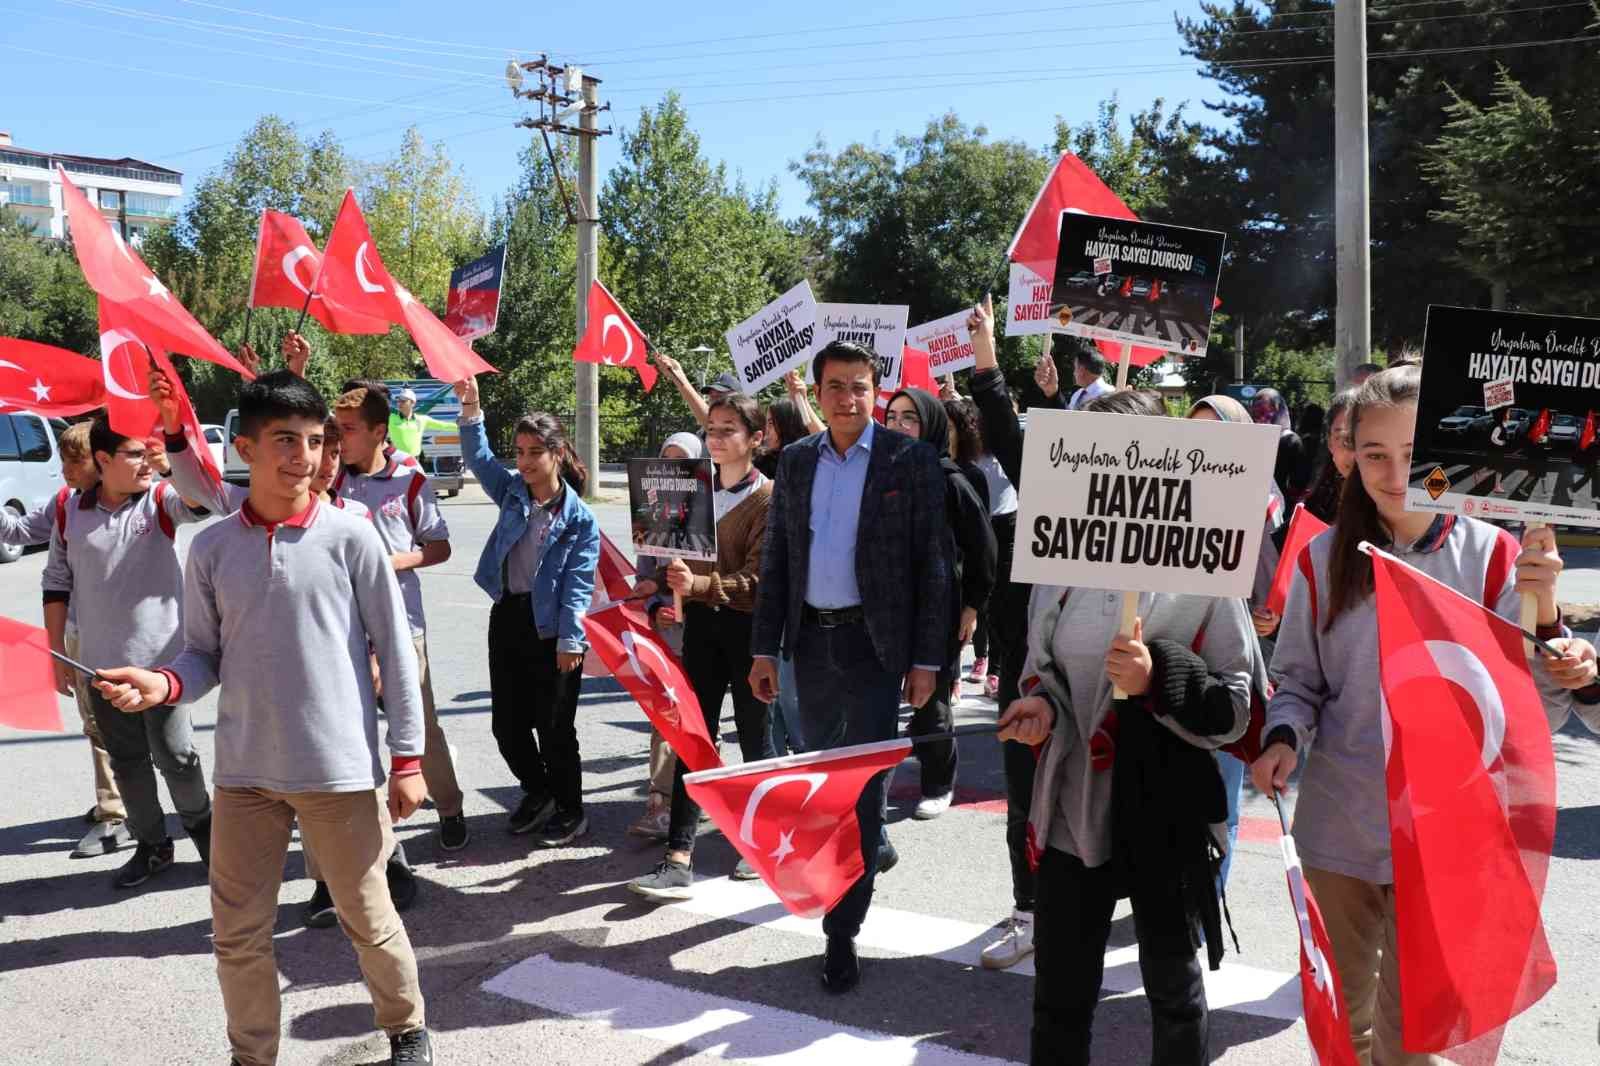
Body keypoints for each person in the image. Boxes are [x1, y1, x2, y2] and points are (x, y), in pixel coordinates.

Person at [1252, 365, 1600, 1066]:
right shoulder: (1322, 558)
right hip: (1340, 832)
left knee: (1416, 1044)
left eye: (1412, 453)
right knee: (1339, 1036)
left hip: (1448, 837)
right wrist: (1284, 735)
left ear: (1444, 452)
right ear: (1349, 454)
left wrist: (1569, 653)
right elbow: (1296, 681)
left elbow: (1534, 698)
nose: (1392, 471)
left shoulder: (1501, 557)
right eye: (1375, 453)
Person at [94, 370, 435, 1066]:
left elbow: (397, 655)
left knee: (367, 919)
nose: (303, 457)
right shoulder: (213, 548)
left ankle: (407, 1029)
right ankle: (253, 1054)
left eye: (314, 441)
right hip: (245, 776)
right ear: (244, 448)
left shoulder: (352, 537)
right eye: (284, 440)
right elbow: (201, 656)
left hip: (338, 772)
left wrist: (407, 759)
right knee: (237, 934)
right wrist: (160, 685)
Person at [998, 386, 1258, 1066]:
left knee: (1173, 990)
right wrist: (1041, 708)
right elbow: (1040, 671)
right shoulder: (1057, 565)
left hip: (1163, 811)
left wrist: (1159, 676)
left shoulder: (1206, 570)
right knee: (1060, 997)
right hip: (1069, 809)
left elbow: (1236, 707)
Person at [749, 339, 950, 993]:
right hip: (808, 647)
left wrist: (927, 661)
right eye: (836, 387)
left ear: (874, 388)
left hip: (872, 649)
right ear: (820, 390)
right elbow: (777, 557)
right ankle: (841, 885)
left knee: (858, 792)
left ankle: (842, 932)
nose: (849, 399)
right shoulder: (798, 461)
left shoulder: (909, 460)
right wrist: (764, 647)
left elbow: (933, 567)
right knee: (817, 787)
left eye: (861, 386)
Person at [42, 415, 212, 890]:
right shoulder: (69, 511)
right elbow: (56, 582)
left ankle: (206, 834)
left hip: (164, 666)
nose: (145, 462)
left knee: (176, 757)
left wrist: (172, 463)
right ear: (102, 460)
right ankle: (152, 844)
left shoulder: (160, 501)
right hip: (98, 668)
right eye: (135, 454)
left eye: (147, 453)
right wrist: (57, 654)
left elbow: (203, 501)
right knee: (127, 761)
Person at [630, 392, 776, 899]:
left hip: (751, 634)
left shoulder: (769, 498)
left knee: (757, 743)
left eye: (728, 429)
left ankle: (758, 845)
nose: (715, 438)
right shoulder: (690, 490)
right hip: (702, 629)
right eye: (711, 428)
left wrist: (699, 587)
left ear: (755, 439)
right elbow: (670, 565)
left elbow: (759, 580)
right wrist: (670, 596)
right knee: (695, 737)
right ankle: (679, 855)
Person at [455, 376, 601, 848]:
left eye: (532, 452)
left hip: (554, 630)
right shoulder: (513, 492)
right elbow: (478, 459)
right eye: (518, 452)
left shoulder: (579, 518)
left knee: (555, 727)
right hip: (510, 618)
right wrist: (472, 409)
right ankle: (538, 791)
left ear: (555, 453)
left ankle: (571, 807)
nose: (522, 461)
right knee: (507, 725)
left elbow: (579, 583)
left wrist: (571, 640)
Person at [331, 380, 469, 853]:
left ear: (375, 431)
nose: (339, 438)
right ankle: (369, 828)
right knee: (352, 726)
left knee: (418, 724)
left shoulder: (409, 481)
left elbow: (439, 547)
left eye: (347, 430)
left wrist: (393, 562)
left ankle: (450, 807)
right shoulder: (332, 482)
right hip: (344, 628)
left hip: (401, 627)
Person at [0, 420, 130, 857]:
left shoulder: (139, 506)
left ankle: (120, 814)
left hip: (124, 635)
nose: (66, 470)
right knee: (96, 724)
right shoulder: (64, 503)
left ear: (101, 462)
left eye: (74, 460)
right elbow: (16, 533)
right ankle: (115, 805)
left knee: (130, 728)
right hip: (78, 631)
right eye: (64, 460)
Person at [964, 294, 1046, 969]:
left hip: (1111, 696)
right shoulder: (1035, 511)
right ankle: (1029, 910)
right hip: (1030, 682)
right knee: (1024, 805)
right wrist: (985, 351)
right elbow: (1003, 425)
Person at [883, 388, 996, 819]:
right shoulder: (880, 474)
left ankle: (937, 781)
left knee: (929, 703)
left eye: (909, 418)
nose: (897, 426)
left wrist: (971, 607)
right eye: (892, 417)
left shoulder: (951, 481)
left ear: (929, 425)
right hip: (885, 610)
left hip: (938, 611)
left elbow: (983, 550)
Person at [1186, 394, 1280, 889]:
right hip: (1172, 662)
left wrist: (1269, 616)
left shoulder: (1262, 503)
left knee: (1220, 795)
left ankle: (1206, 901)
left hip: (1230, 668)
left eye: (1216, 431)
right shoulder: (1169, 491)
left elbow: (1274, 593)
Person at [626, 430, 704, 843]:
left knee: (701, 716)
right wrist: (658, 606)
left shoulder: (712, 509)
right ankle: (659, 801)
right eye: (666, 458)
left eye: (683, 460)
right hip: (667, 630)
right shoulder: (651, 510)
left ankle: (702, 789)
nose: (673, 467)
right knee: (665, 714)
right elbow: (644, 578)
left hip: (707, 627)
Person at [947, 396, 1009, 698]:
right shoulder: (935, 466)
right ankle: (956, 672)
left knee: (988, 610)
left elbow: (980, 543)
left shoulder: (977, 470)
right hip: (952, 563)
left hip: (998, 537)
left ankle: (993, 667)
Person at [1299, 387, 1358, 524]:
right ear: (1330, 442)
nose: (1357, 453)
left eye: (1369, 439)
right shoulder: (1316, 506)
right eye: (1346, 439)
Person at [1249, 387, 1308, 503]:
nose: (1262, 417)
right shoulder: (1292, 440)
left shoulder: (1290, 441)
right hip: (1273, 506)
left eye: (1267, 410)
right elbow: (1299, 482)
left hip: (1274, 506)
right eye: (1258, 411)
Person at [387, 387, 456, 464]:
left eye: (403, 401)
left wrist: (465, 427)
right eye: (399, 400)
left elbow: (444, 426)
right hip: (396, 460)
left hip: (414, 460)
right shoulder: (391, 418)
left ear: (413, 403)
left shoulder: (422, 419)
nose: (400, 403)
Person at [1036, 340, 1111, 411]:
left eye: (1075, 368)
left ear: (1081, 370)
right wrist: (1052, 392)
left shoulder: (1111, 395)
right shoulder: (1077, 394)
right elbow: (1068, 420)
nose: (1073, 373)